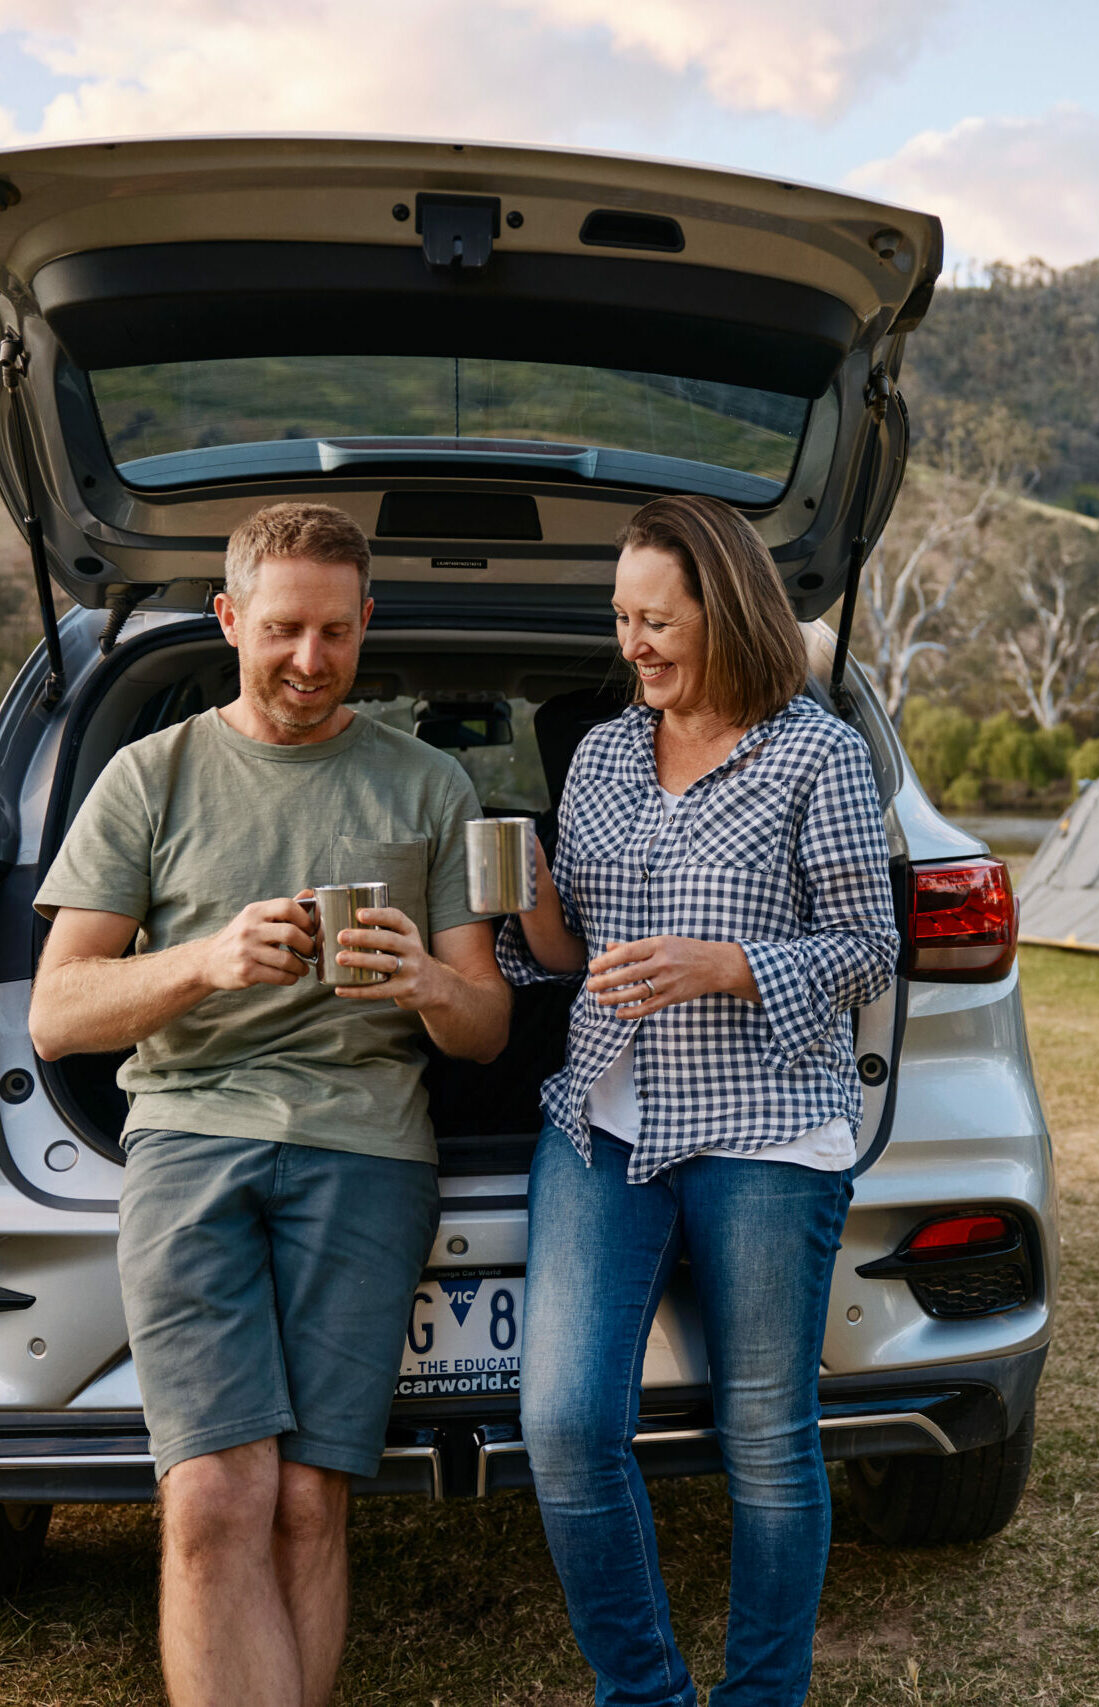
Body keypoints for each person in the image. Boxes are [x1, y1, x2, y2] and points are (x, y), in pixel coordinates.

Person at [28, 502, 512, 1707]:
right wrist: (203, 958)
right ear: (230, 619)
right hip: (191, 1139)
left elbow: (490, 1024)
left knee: (305, 1500)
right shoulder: (153, 776)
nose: (310, 660)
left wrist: (429, 983)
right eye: (284, 629)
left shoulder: (429, 784)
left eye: (337, 633)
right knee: (210, 1497)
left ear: (365, 625)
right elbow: (57, 1013)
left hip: (367, 1148)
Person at [497, 492, 899, 1707]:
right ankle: (647, 1694)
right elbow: (575, 949)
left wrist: (731, 964)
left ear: (726, 608)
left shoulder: (815, 753)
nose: (635, 645)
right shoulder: (607, 753)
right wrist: (512, 897)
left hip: (767, 1127)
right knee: (565, 1428)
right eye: (621, 619)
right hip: (603, 1122)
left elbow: (870, 947)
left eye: (657, 619)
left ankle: (762, 1696)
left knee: (767, 1443)